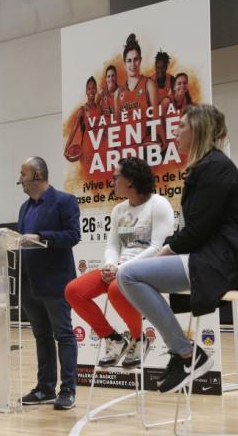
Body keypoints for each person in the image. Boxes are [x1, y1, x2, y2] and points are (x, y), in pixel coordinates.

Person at [116, 104, 238, 394]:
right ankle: (184, 353)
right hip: (209, 255)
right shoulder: (205, 167)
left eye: (181, 126)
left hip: (225, 261)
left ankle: (186, 353)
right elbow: (192, 229)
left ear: (198, 130)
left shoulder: (216, 168)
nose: (176, 130)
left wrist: (163, 254)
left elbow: (196, 232)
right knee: (130, 275)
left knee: (129, 275)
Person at [65, 157, 173, 369]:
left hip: (147, 270)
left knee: (116, 288)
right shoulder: (119, 210)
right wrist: (109, 264)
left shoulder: (159, 205)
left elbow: (157, 249)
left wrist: (120, 270)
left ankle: (138, 338)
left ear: (131, 181)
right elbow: (113, 245)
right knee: (73, 291)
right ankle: (113, 338)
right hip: (119, 269)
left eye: (116, 178)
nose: (111, 183)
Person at [17, 156, 81, 410]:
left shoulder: (64, 201)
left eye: (23, 174)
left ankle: (68, 390)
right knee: (41, 336)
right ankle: (45, 388)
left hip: (56, 282)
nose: (19, 179)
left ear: (37, 176)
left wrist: (41, 237)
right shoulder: (24, 208)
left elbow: (72, 235)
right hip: (29, 282)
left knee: (63, 335)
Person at [115, 33, 164, 148]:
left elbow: (156, 117)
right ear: (124, 62)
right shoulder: (118, 92)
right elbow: (116, 125)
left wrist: (164, 141)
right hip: (125, 147)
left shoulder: (148, 84)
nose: (133, 64)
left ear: (140, 60)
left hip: (144, 145)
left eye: (135, 59)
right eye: (129, 60)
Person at [64, 76, 101, 162]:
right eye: (88, 89)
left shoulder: (100, 108)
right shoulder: (82, 110)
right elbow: (73, 131)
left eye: (93, 88)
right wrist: (66, 149)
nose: (91, 91)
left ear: (96, 90)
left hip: (99, 150)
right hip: (86, 151)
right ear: (86, 91)